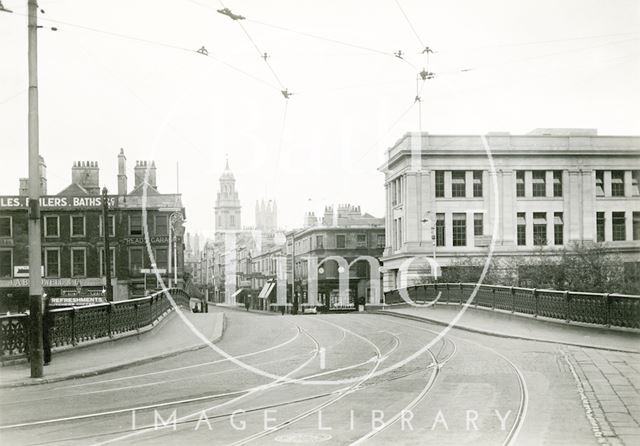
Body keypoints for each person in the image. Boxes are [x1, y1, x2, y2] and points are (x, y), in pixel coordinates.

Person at [43, 295, 53, 365]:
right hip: (43, 326)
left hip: (44, 326)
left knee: (46, 342)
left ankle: (47, 359)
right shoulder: (46, 307)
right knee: (46, 342)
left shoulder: (46, 307)